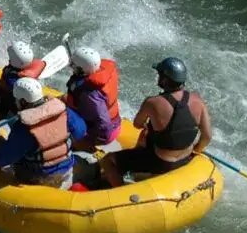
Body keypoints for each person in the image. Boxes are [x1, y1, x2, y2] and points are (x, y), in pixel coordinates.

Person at [101, 56, 213, 186]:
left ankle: (118, 191)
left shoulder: (152, 102)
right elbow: (207, 137)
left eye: (159, 75)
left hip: (161, 162)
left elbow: (137, 124)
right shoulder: (198, 101)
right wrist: (194, 151)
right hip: (185, 159)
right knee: (150, 136)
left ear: (164, 79)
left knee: (108, 161)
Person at [0, 77, 73, 188]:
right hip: (67, 168)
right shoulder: (64, 112)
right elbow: (81, 131)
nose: (15, 102)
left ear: (23, 101)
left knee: (11, 154)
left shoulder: (24, 128)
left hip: (40, 178)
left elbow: (0, 160)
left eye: (16, 99)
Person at [62, 44, 122, 153]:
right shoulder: (98, 70)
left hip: (106, 133)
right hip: (113, 121)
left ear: (81, 70)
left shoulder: (90, 95)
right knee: (63, 99)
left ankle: (85, 147)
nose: (71, 66)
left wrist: (87, 141)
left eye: (73, 65)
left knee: (61, 122)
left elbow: (104, 125)